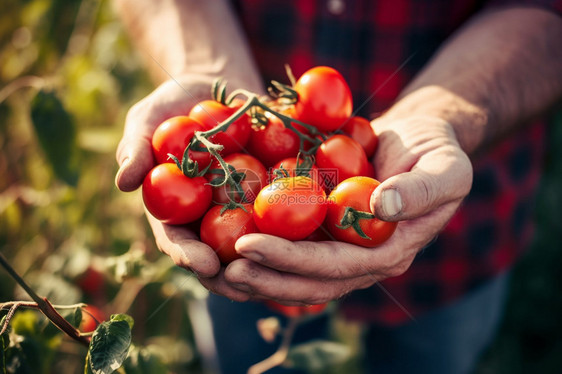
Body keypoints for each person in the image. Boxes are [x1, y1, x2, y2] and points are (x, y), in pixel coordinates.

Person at [112, 0, 562, 373]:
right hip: (245, 264)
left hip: (459, 236)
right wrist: (203, 66)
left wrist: (443, 113)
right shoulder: (263, 173)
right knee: (248, 354)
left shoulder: (288, 170)